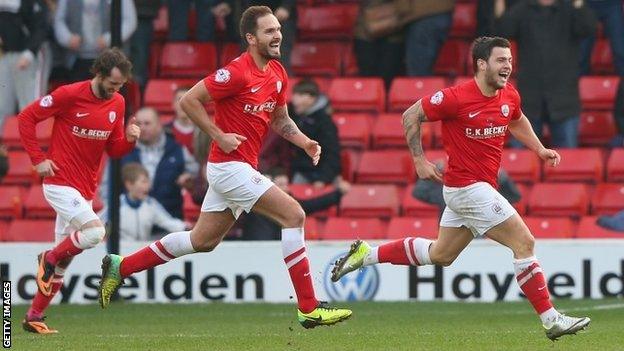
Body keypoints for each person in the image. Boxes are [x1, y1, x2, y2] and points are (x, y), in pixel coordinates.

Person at [98, 6, 352, 329]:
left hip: (238, 167)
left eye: (277, 29)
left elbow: (280, 119)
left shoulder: (277, 73)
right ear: (251, 38)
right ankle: (309, 307)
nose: (277, 35)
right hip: (229, 167)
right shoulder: (235, 72)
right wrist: (218, 134)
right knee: (294, 215)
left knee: (202, 241)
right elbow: (188, 100)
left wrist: (304, 142)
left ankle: (121, 267)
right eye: (269, 31)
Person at [331, 37, 590, 341]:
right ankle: (551, 319)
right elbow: (410, 115)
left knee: (441, 255)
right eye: (500, 60)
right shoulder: (455, 98)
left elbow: (516, 120)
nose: (508, 66)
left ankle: (367, 254)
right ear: (482, 64)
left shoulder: (509, 96)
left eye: (509, 60)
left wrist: (539, 148)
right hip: (467, 188)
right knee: (525, 242)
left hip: (474, 190)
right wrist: (419, 160)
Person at [18, 48, 140, 334]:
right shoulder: (69, 94)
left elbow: (114, 149)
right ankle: (47, 257)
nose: (115, 89)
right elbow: (26, 118)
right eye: (112, 83)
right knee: (96, 233)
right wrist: (37, 159)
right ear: (98, 74)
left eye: (120, 85)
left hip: (84, 188)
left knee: (64, 262)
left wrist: (131, 140)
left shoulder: (118, 103)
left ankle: (34, 316)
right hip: (59, 183)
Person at [495, 0, 597, 148]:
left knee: (565, 165)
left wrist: (578, 3)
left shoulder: (570, 9)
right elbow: (502, 31)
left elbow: (589, 28)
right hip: (530, 100)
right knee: (522, 165)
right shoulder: (522, 9)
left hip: (564, 99)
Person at [122, 106, 199, 220]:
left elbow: (196, 177)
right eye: (139, 123)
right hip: (132, 222)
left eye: (147, 123)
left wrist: (189, 180)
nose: (142, 128)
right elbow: (107, 186)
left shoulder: (177, 149)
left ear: (159, 124)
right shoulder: (124, 150)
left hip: (171, 221)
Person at [241, 168, 351, 240]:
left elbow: (312, 205)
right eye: (281, 184)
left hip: (278, 250)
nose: (286, 188)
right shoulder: (254, 200)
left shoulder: (288, 203)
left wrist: (337, 194)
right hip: (255, 249)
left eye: (286, 184)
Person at [101, 162, 188, 241]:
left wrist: (187, 227)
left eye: (148, 181)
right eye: (144, 181)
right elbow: (99, 223)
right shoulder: (116, 204)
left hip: (142, 250)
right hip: (120, 252)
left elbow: (169, 222)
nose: (149, 186)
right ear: (129, 184)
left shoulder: (151, 205)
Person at [54, 0, 137, 81]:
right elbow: (59, 20)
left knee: (109, 92)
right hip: (76, 59)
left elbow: (129, 21)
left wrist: (108, 39)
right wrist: (67, 38)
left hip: (110, 59)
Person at [0, 0, 49, 129]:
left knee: (29, 105)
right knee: (2, 105)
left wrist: (30, 53)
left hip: (30, 54)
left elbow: (41, 27)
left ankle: (33, 145)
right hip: (6, 53)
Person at [289, 79, 341, 186]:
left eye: (299, 95)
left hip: (318, 173)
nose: (295, 99)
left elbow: (331, 154)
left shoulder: (325, 123)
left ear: (311, 98)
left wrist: (323, 179)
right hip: (296, 170)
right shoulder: (291, 115)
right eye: (294, 94)